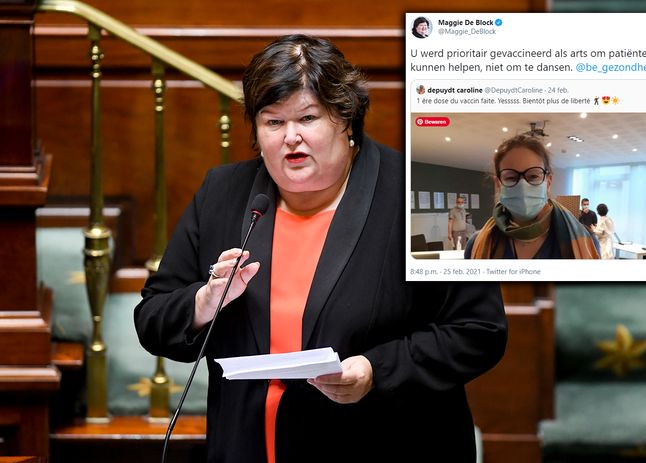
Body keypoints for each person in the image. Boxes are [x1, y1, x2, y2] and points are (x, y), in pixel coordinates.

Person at [134, 34, 507, 463]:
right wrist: (205, 301)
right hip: (249, 446)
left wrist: (375, 370)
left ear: (345, 119)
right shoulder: (223, 193)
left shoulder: (414, 192)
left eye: (308, 118)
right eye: (273, 122)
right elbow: (152, 317)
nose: (290, 137)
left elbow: (479, 331)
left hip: (385, 443)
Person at [465, 134, 600, 259]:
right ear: (498, 184)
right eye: (511, 177)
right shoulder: (477, 244)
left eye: (534, 176)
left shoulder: (585, 241)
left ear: (548, 182)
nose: (523, 186)